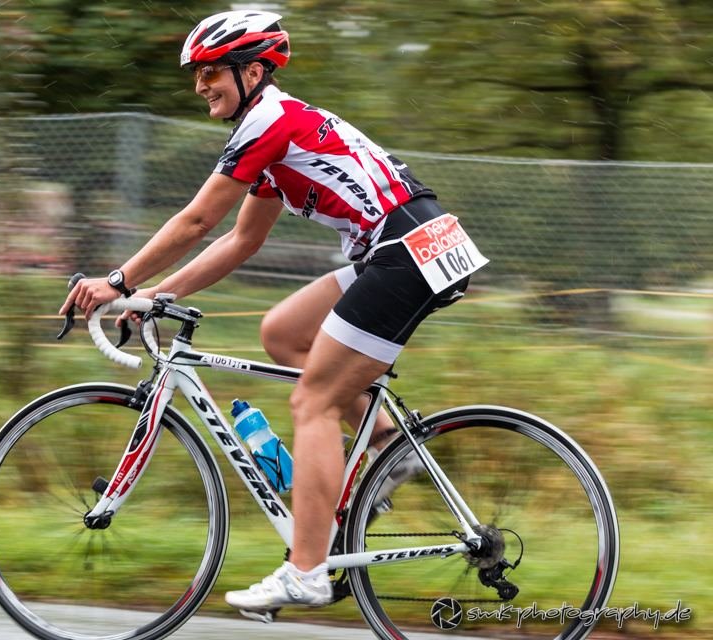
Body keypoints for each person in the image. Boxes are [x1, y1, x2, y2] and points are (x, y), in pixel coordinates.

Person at [60, 9, 487, 617]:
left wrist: (119, 280)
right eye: (197, 76)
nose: (200, 86)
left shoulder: (270, 121)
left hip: (405, 251)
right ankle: (393, 442)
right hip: (405, 246)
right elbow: (239, 241)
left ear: (253, 71)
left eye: (211, 72)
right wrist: (159, 295)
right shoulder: (276, 131)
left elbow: (197, 220)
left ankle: (306, 572)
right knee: (283, 332)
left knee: (313, 401)